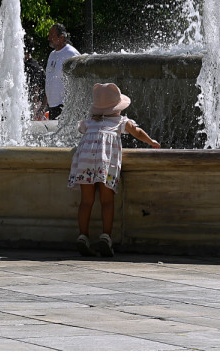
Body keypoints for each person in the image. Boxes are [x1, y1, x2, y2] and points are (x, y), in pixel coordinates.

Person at [68, 82, 160, 257]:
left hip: (85, 162)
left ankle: (83, 236)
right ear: (117, 108)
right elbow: (137, 132)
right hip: (105, 164)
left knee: (86, 201)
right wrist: (151, 142)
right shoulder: (120, 121)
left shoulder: (88, 122)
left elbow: (81, 130)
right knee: (107, 201)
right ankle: (105, 237)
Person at [44, 23, 80, 120]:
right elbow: (49, 80)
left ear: (61, 37)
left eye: (52, 35)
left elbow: (80, 80)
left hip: (64, 106)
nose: (48, 38)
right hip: (52, 106)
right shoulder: (52, 55)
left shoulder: (71, 53)